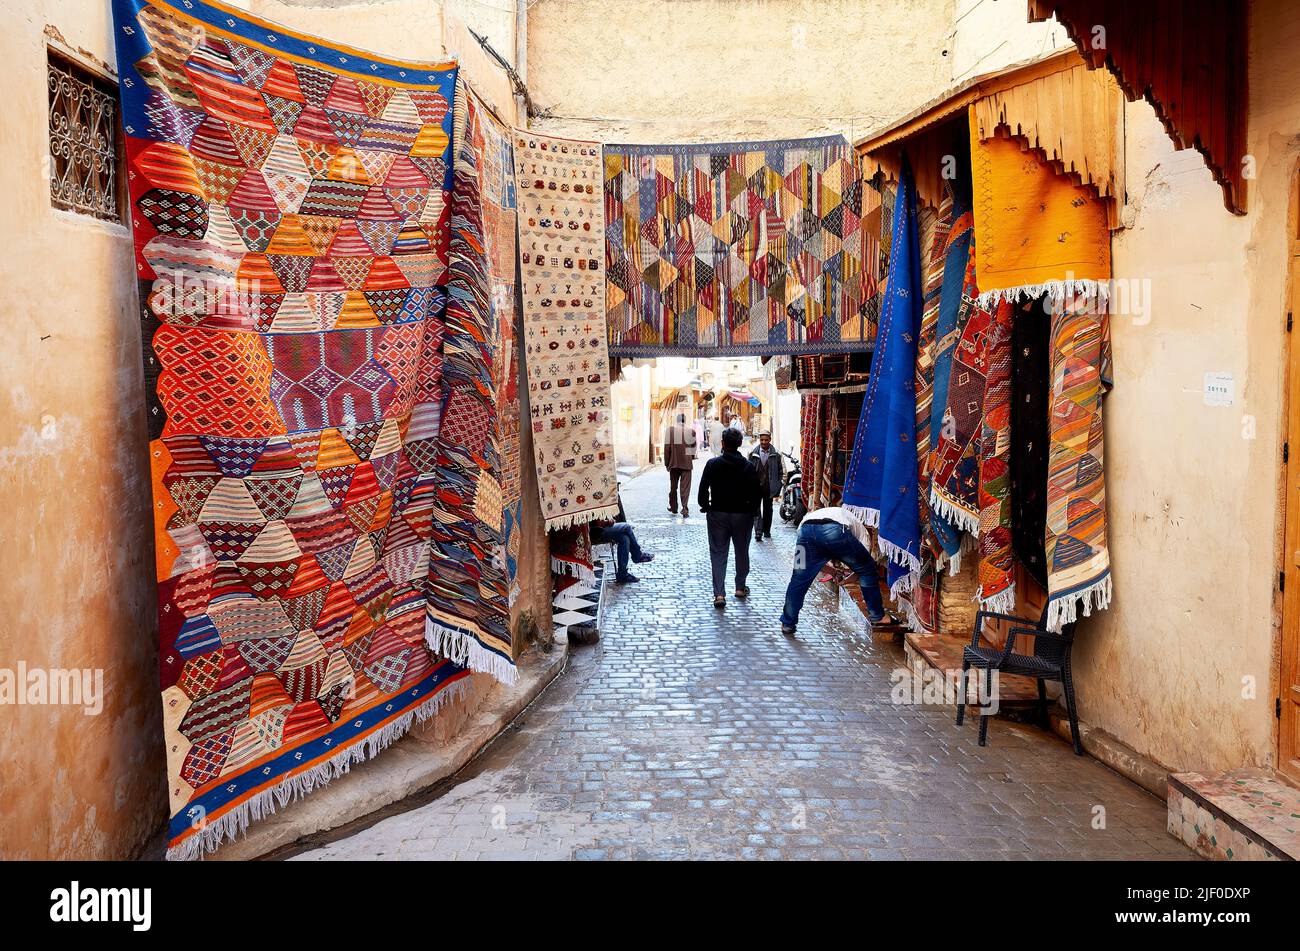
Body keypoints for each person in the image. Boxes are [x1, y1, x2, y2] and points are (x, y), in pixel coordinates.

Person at [779, 500, 886, 636]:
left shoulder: (820, 514)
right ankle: (878, 616)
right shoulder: (862, 532)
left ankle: (788, 623)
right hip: (834, 529)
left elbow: (812, 563)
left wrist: (834, 572)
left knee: (798, 579)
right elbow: (863, 569)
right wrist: (845, 580)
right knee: (869, 570)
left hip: (805, 531)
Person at [697, 426, 760, 609]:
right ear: (740, 444)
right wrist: (752, 511)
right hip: (742, 515)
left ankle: (719, 594)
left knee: (718, 553)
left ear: (723, 444)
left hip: (718, 514)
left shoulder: (712, 464)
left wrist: (706, 506)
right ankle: (740, 587)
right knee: (742, 551)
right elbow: (756, 493)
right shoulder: (748, 467)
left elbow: (703, 490)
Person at [590, 499, 654, 583]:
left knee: (624, 538)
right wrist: (609, 521)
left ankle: (622, 574)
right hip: (596, 531)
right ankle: (638, 555)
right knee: (626, 527)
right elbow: (599, 523)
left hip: (599, 529)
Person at [747, 429, 784, 541]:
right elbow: (747, 470)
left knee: (768, 510)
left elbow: (783, 472)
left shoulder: (777, 454)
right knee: (756, 510)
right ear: (759, 440)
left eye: (766, 440)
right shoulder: (752, 453)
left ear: (770, 440)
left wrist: (779, 485)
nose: (763, 442)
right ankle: (758, 533)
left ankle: (766, 530)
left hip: (769, 487)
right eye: (762, 440)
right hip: (756, 487)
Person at [663, 411, 695, 518]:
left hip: (674, 463)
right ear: (684, 421)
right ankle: (685, 508)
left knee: (673, 487)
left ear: (676, 420)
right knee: (685, 488)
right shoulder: (691, 431)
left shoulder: (670, 431)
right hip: (686, 464)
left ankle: (674, 506)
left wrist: (667, 463)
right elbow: (692, 450)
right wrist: (690, 458)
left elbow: (667, 448)